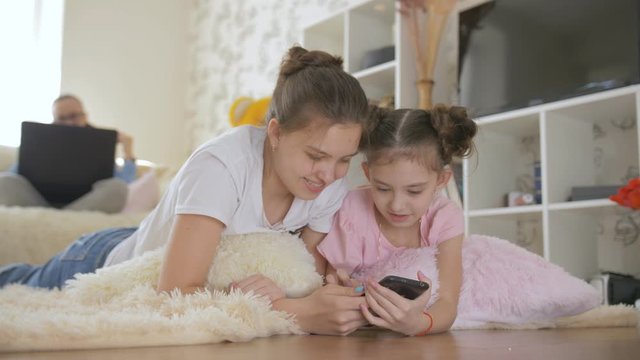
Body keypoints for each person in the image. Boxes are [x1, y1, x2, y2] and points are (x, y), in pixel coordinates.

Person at [0, 46, 372, 336]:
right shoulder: (222, 167)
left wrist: (333, 294)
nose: (329, 175)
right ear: (275, 133)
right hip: (103, 263)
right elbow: (175, 294)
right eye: (315, 156)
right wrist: (294, 312)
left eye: (344, 160)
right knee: (18, 284)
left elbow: (302, 274)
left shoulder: (332, 183)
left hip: (166, 242)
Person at [317, 105, 477, 336]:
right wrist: (350, 294)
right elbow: (331, 288)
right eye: (382, 188)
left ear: (441, 179)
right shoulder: (352, 210)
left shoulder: (445, 217)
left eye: (414, 191)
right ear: (367, 173)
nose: (396, 205)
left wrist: (419, 324)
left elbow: (448, 302)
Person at [0, 94, 137, 213]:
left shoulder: (99, 144)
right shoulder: (42, 142)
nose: (69, 123)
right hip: (39, 201)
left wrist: (128, 153)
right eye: (62, 118)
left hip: (87, 203)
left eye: (73, 116)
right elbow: (14, 176)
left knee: (117, 189)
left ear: (85, 116)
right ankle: (59, 218)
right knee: (4, 181)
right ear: (54, 121)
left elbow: (125, 184)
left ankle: (56, 218)